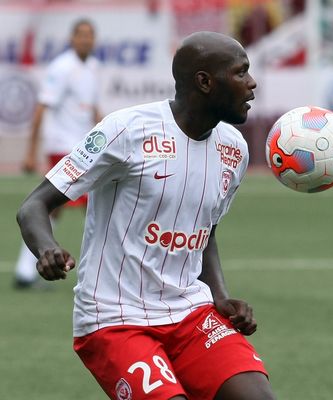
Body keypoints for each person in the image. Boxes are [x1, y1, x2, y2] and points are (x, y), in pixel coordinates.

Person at [17, 31, 276, 400]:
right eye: (240, 73)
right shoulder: (126, 130)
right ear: (204, 82)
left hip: (190, 312)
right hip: (115, 319)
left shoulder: (234, 149)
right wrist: (46, 249)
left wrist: (220, 295)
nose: (251, 83)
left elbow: (206, 232)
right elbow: (34, 205)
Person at [15, 18, 101, 289]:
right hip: (64, 147)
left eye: (90, 35)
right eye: (81, 35)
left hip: (84, 148)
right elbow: (42, 108)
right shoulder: (62, 68)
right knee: (74, 206)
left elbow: (92, 111)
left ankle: (25, 271)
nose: (86, 40)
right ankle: (31, 269)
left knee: (69, 208)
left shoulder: (93, 67)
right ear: (72, 38)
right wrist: (31, 152)